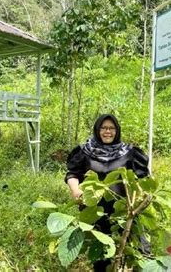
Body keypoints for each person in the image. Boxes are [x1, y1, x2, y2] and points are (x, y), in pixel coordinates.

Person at [65, 114, 150, 271]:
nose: (107, 132)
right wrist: (76, 191)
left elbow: (143, 178)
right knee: (102, 254)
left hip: (124, 210)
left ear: (117, 131)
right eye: (104, 128)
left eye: (111, 128)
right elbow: (72, 174)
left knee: (142, 251)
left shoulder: (129, 152)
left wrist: (141, 197)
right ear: (97, 130)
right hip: (95, 212)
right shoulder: (85, 151)